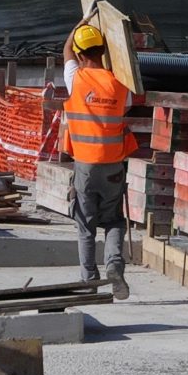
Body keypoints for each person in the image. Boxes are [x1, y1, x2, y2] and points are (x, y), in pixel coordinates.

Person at [61, 22, 135, 300]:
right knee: (114, 220)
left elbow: (66, 49)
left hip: (85, 167)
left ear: (80, 55)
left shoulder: (75, 78)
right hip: (114, 165)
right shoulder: (120, 83)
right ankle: (114, 264)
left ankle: (89, 281)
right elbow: (127, 105)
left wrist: (81, 22)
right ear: (103, 51)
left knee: (86, 225)